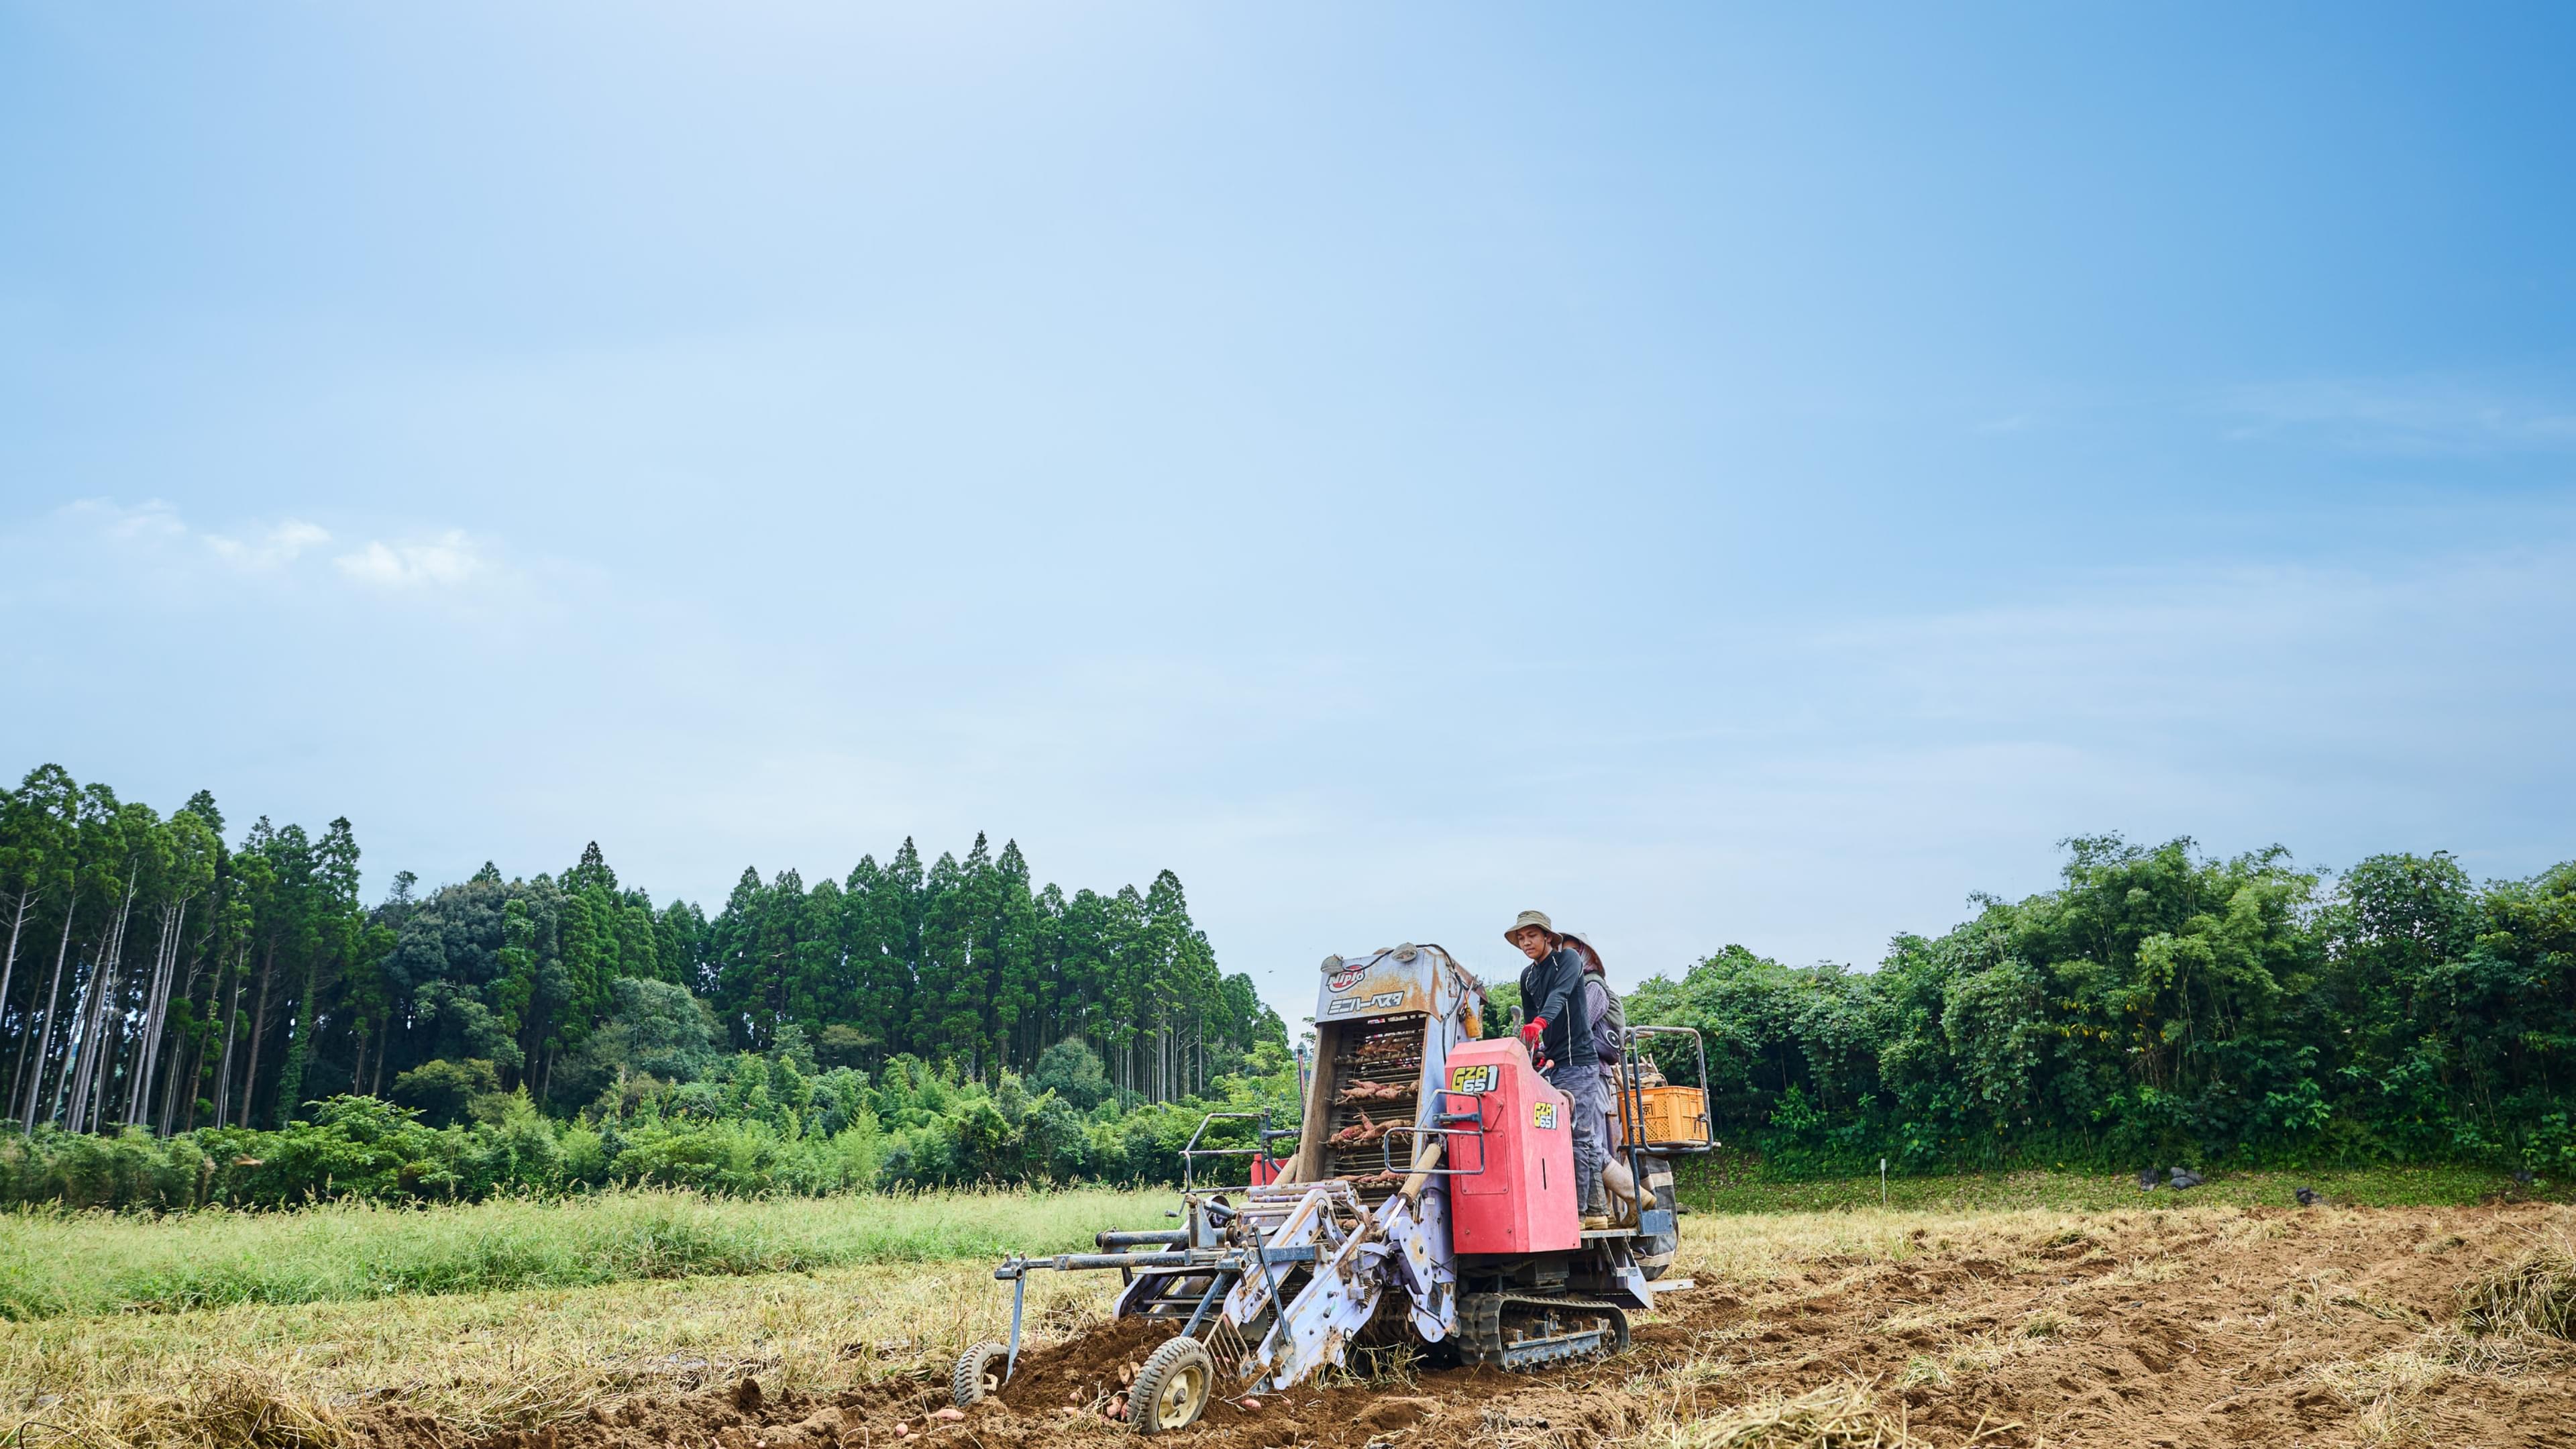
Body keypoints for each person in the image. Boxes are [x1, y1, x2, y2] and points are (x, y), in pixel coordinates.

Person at [1505, 909, 1609, 1228]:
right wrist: (1533, 1050)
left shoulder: (1568, 962)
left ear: (1548, 937)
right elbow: (1531, 1012)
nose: (1526, 943)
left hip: (1580, 1062)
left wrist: (1540, 1023)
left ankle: (1577, 1215)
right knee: (1573, 1137)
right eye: (1521, 938)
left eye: (1532, 936)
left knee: (1577, 1136)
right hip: (1553, 1064)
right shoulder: (1528, 976)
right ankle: (1598, 1212)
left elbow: (1560, 997)